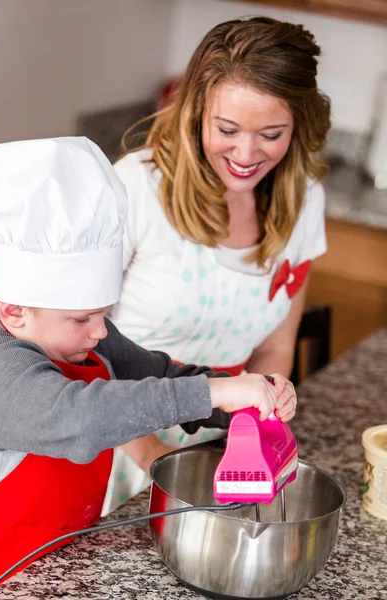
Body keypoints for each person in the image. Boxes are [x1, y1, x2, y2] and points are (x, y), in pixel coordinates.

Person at [0, 136, 296, 587]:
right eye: (81, 318)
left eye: (103, 312)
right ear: (14, 312)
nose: (98, 330)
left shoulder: (91, 341)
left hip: (67, 565)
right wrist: (217, 392)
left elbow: (163, 375)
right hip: (1, 578)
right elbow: (82, 417)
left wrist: (246, 396)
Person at [104, 15, 329, 512]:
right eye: (227, 129)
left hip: (218, 446)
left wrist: (262, 412)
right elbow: (74, 350)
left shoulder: (303, 201)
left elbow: (275, 346)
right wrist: (151, 455)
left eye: (271, 133)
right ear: (196, 112)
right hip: (110, 447)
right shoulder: (138, 189)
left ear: (299, 124)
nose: (246, 154)